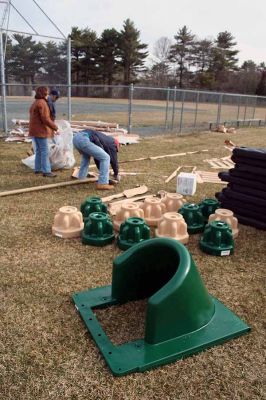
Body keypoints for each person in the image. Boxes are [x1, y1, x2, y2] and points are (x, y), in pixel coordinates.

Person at [29, 86, 58, 177]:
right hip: (40, 131)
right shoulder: (42, 103)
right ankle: (46, 171)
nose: (48, 94)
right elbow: (45, 119)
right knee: (45, 151)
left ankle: (38, 169)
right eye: (47, 92)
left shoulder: (35, 102)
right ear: (44, 93)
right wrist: (55, 127)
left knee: (38, 151)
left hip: (34, 130)